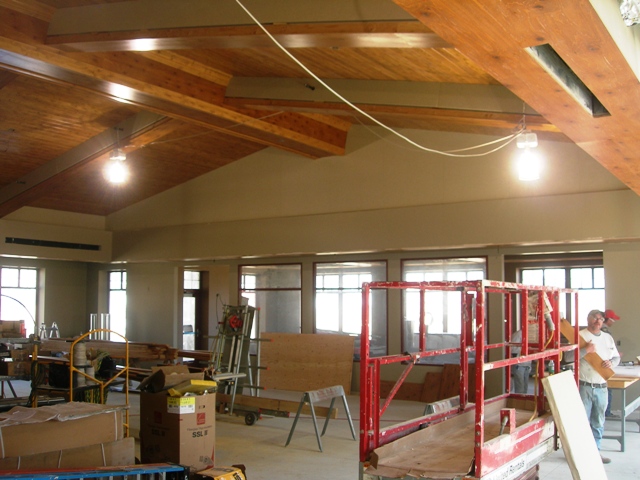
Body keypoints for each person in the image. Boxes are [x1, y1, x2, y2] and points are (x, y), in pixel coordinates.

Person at [579, 309, 620, 464]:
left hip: (602, 387)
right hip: (585, 386)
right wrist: (585, 350)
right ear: (588, 319)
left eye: (601, 319)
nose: (598, 321)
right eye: (595, 318)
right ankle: (582, 454)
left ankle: (596, 453)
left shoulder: (607, 338)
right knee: (583, 421)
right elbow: (567, 358)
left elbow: (616, 357)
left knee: (598, 422)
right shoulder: (580, 336)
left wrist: (612, 363)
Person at [602, 309, 621, 417]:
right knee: (607, 388)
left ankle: (607, 412)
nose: (613, 322)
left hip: (606, 362)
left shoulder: (604, 330)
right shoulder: (604, 330)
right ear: (608, 319)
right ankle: (607, 412)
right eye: (613, 319)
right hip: (603, 365)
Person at [511, 328, 531, 393]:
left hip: (527, 364)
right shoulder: (518, 334)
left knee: (525, 387)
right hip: (519, 365)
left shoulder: (531, 335)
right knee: (520, 388)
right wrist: (523, 350)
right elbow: (512, 349)